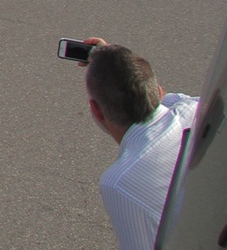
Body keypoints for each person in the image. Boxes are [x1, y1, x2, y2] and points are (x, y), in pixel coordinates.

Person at [80, 41, 199, 250]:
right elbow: (162, 100)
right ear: (159, 92)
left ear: (96, 111)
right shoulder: (193, 109)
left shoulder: (120, 182)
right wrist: (111, 60)